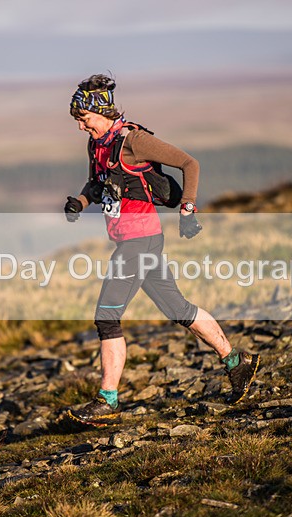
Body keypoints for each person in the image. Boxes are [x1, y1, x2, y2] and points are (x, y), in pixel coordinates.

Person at [64, 74, 259, 426]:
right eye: (78, 120)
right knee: (178, 309)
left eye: (85, 119)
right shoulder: (98, 145)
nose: (81, 126)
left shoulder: (134, 141)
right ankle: (236, 362)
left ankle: (107, 399)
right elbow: (99, 183)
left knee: (106, 317)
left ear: (103, 112)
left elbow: (190, 164)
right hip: (136, 240)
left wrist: (187, 208)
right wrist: (79, 201)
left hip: (140, 241)